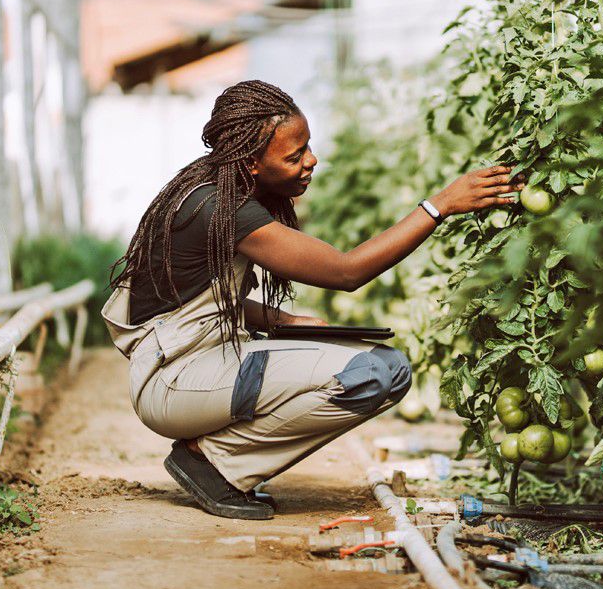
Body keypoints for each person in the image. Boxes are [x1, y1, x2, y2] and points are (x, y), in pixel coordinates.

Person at [103, 80, 520, 520]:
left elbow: (192, 304)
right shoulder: (219, 208)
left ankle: (214, 460)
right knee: (376, 372)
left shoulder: (216, 191)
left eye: (308, 147)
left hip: (192, 367)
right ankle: (213, 464)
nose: (311, 160)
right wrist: (439, 206)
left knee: (384, 368)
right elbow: (346, 272)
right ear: (251, 162)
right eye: (294, 155)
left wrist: (282, 319)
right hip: (175, 381)